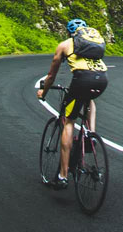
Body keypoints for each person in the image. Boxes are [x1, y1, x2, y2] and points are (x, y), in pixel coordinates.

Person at [37, 18, 108, 190]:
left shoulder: (65, 45)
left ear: (69, 33)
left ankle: (62, 176)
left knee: (69, 121)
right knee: (89, 99)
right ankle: (90, 135)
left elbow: (51, 76)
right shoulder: (92, 45)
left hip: (82, 80)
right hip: (102, 79)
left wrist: (43, 93)